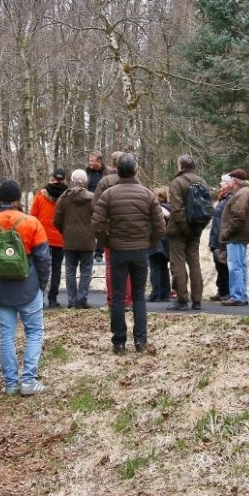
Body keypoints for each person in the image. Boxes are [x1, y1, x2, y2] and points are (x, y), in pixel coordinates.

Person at [0, 180, 52, 395]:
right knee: (34, 332)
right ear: (18, 199)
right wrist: (40, 286)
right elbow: (44, 259)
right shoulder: (31, 223)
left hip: (2, 290)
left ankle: (10, 384)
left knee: (6, 335)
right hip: (29, 288)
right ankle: (28, 381)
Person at [91, 154, 165, 354]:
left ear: (117, 170)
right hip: (140, 251)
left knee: (117, 297)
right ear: (135, 171)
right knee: (138, 297)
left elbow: (97, 225)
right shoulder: (147, 194)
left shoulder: (108, 194)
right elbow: (160, 226)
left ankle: (119, 342)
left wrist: (107, 241)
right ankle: (140, 341)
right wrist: (149, 243)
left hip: (118, 251)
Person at [167, 154, 208, 311]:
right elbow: (207, 208)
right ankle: (197, 300)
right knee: (194, 263)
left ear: (180, 166)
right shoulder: (202, 182)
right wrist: (199, 227)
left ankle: (182, 299)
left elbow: (176, 210)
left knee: (178, 264)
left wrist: (186, 229)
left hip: (179, 230)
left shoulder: (177, 183)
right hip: (196, 228)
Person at [94, 151, 132, 308]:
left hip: (111, 229)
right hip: (130, 229)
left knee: (110, 266)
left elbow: (95, 205)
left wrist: (101, 228)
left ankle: (112, 300)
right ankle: (127, 300)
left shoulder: (105, 181)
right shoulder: (134, 181)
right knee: (129, 266)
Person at [53, 169, 95, 308]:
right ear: (85, 181)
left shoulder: (63, 199)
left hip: (69, 240)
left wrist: (64, 231)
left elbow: (56, 221)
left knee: (70, 272)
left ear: (72, 180)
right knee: (86, 271)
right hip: (87, 240)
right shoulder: (92, 198)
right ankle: (82, 300)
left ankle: (72, 301)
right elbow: (98, 219)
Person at [30, 168, 67, 307]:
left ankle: (39, 297)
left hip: (42, 237)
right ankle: (53, 298)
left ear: (52, 178)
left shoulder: (41, 195)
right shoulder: (66, 196)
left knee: (40, 267)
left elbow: (33, 216)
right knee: (56, 269)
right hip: (59, 237)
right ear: (63, 179)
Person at [220, 169, 249, 306]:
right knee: (241, 266)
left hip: (236, 235)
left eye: (231, 179)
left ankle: (237, 296)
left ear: (235, 180)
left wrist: (227, 231)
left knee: (235, 266)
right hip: (240, 235)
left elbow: (238, 216)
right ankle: (242, 295)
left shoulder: (241, 194)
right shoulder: (244, 192)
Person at [207, 176, 233, 303]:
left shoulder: (230, 198)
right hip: (217, 237)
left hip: (223, 238)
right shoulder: (223, 198)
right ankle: (221, 290)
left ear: (228, 184)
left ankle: (227, 292)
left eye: (222, 182)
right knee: (219, 265)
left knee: (224, 266)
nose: (220, 184)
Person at [147, 187, 172, 302]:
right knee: (164, 268)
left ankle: (155, 293)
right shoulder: (171, 209)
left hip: (156, 242)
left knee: (155, 268)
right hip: (167, 243)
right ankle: (165, 293)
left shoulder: (154, 210)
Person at [86, 152, 108, 262]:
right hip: (88, 204)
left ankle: (99, 253)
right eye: (89, 160)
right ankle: (88, 250)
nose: (89, 162)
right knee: (88, 228)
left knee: (101, 228)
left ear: (99, 161)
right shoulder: (87, 173)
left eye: (92, 160)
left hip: (103, 204)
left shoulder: (106, 173)